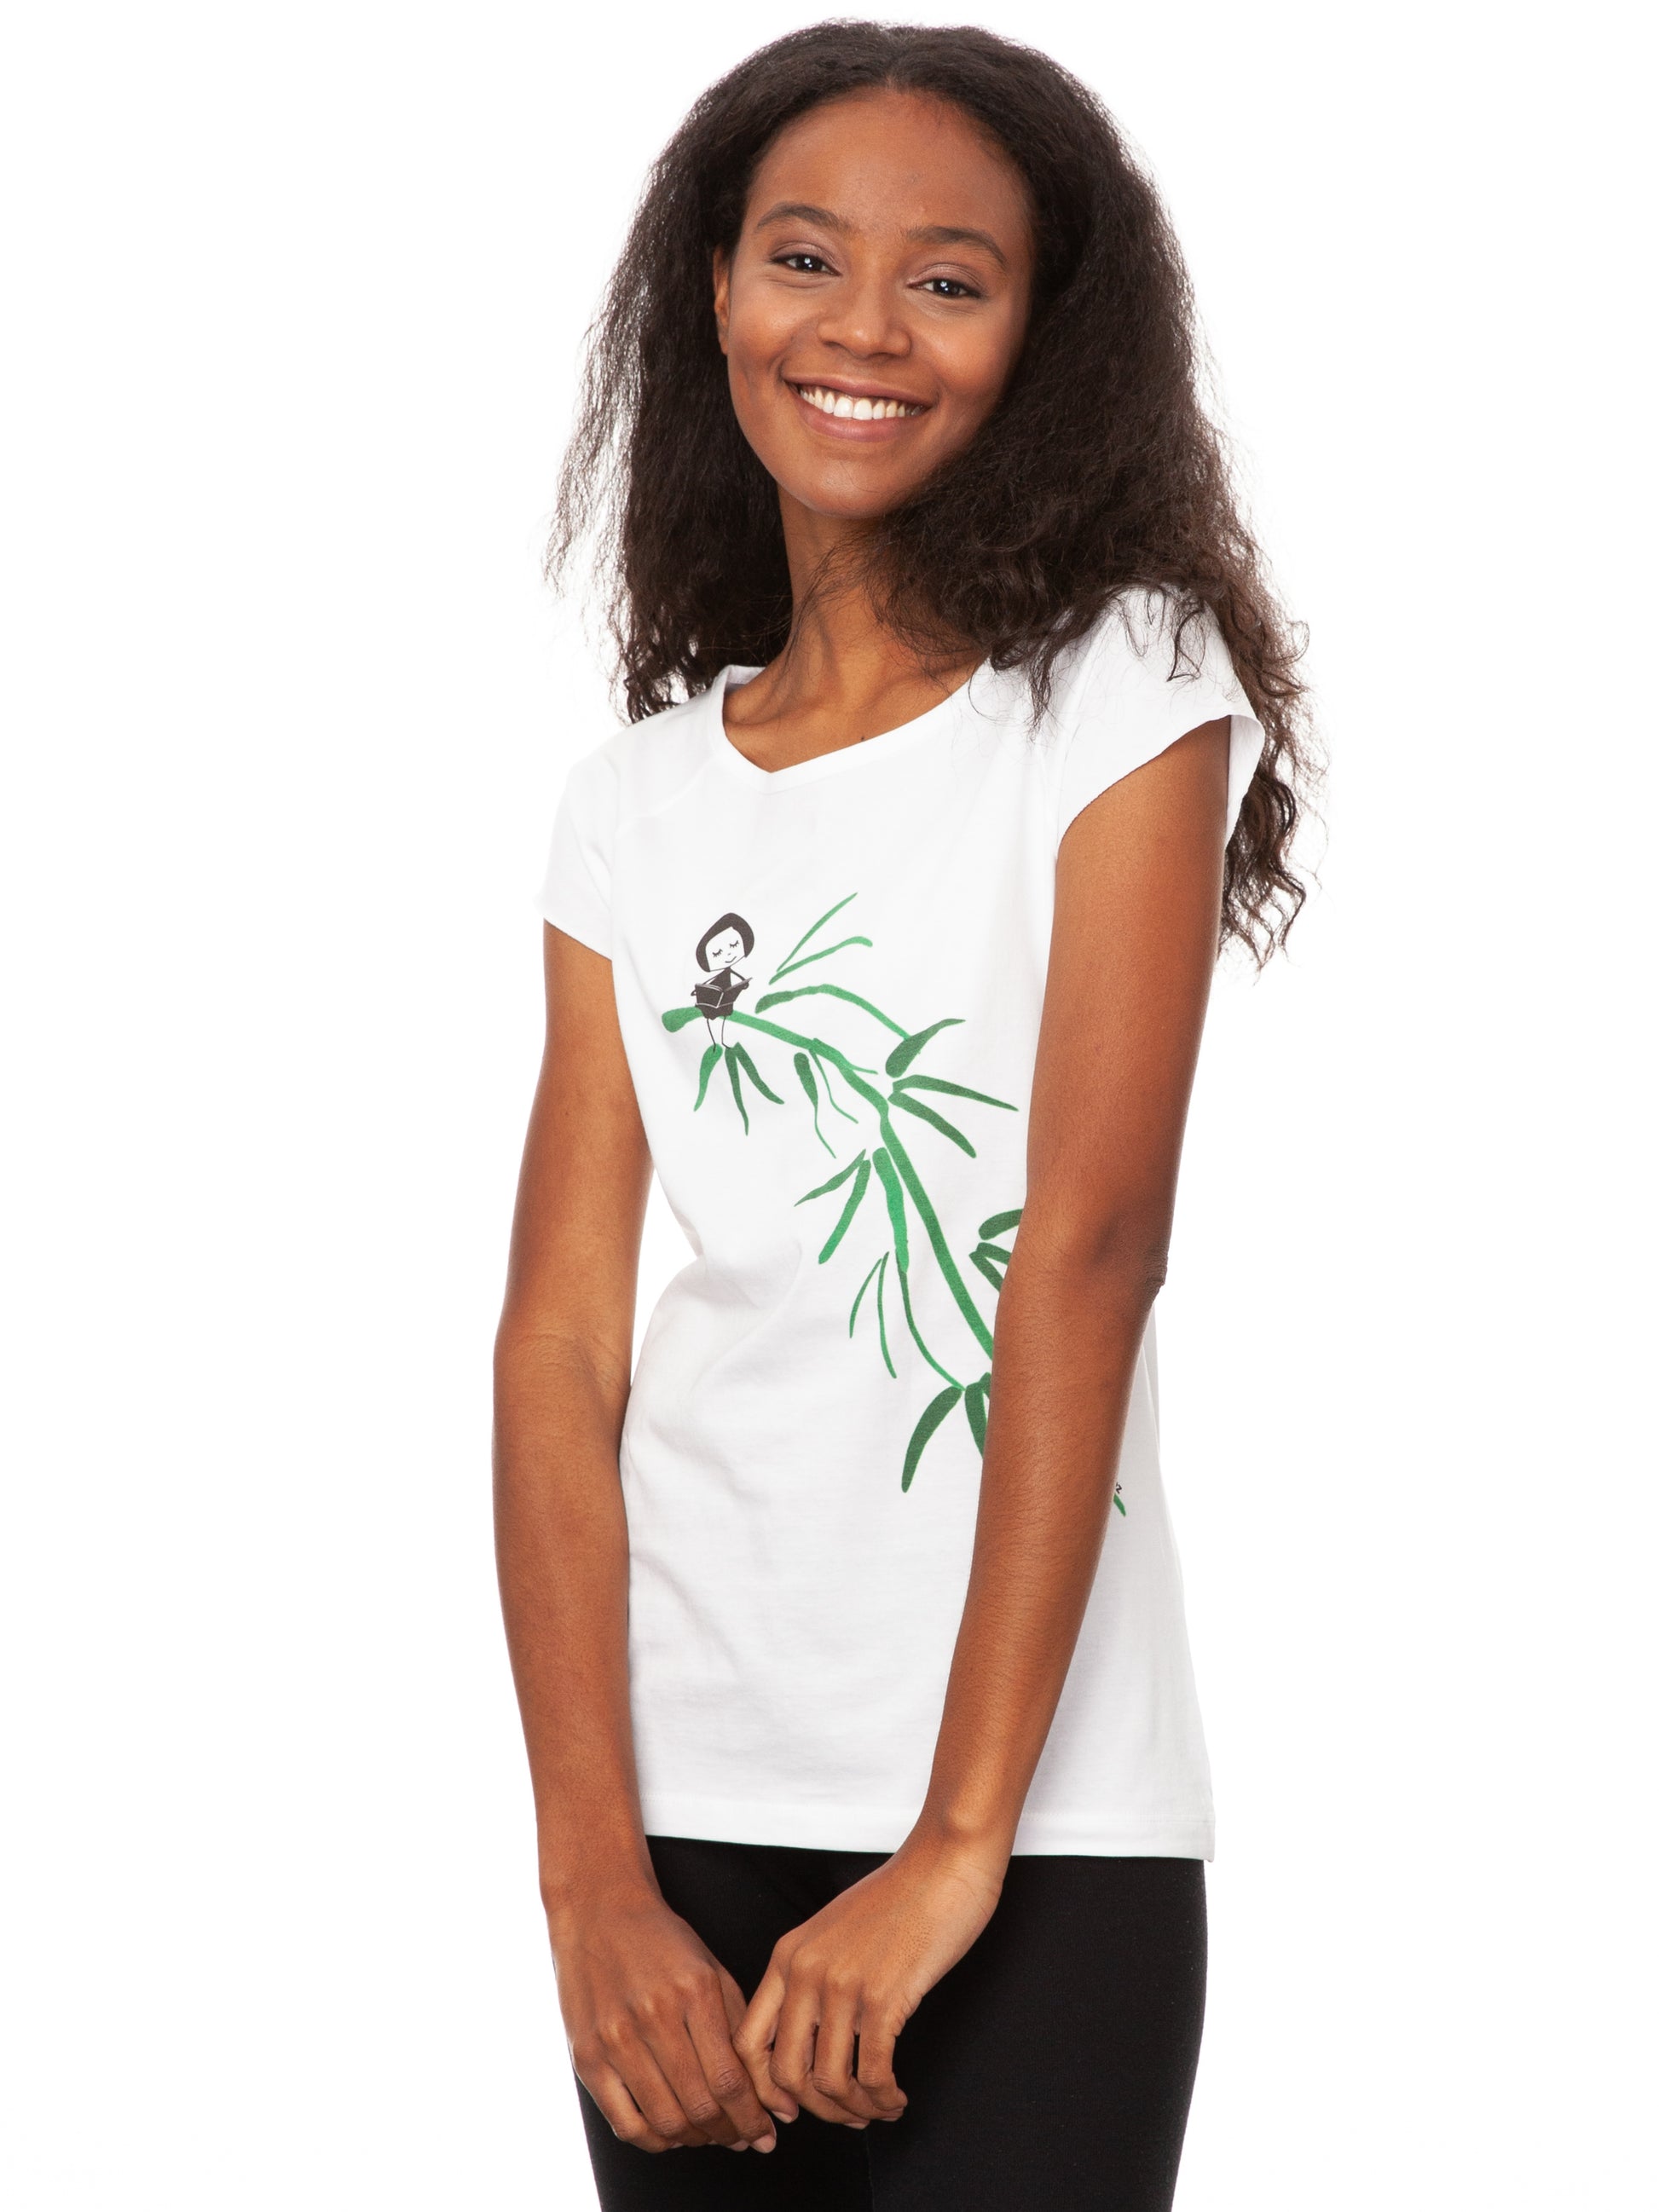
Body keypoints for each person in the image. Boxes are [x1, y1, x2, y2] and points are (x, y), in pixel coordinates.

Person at [494, 22, 1314, 2210]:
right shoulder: (632, 803)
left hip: (1038, 1821)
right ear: (713, 294)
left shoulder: (1119, 681)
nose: (861, 326)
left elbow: (1090, 1244)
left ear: (1045, 338)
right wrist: (589, 1878)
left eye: (948, 279)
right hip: (678, 1817)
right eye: (803, 257)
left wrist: (955, 1848)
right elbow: (560, 1341)